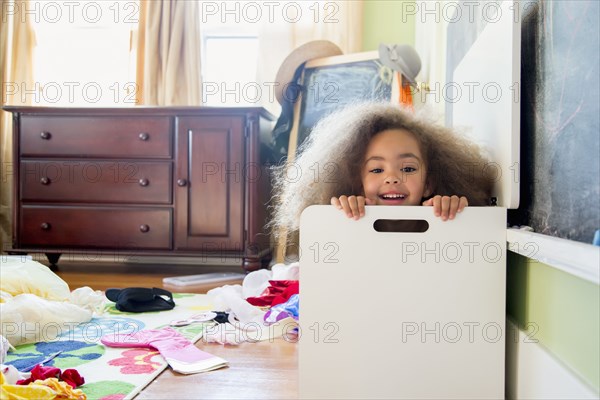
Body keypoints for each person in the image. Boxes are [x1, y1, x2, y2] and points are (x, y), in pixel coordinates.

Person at [269, 102, 495, 242]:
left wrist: (454, 212)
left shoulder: (444, 218)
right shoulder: (344, 220)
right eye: (376, 169)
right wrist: (341, 216)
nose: (392, 178)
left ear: (429, 183)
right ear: (356, 181)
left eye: (407, 168)